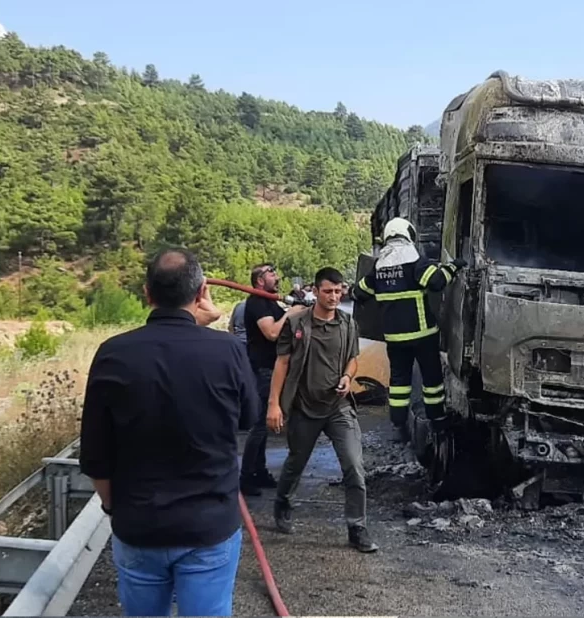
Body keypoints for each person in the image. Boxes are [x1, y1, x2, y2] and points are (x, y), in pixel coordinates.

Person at [79, 247, 259, 618]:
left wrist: (115, 507)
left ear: (147, 293)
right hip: (209, 527)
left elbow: (96, 456)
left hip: (139, 526)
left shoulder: (112, 354)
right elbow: (249, 417)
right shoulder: (227, 351)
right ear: (200, 293)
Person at [266, 266, 378, 553]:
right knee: (296, 462)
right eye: (327, 291)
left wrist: (347, 377)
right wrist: (274, 404)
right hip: (304, 406)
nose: (333, 296)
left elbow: (353, 358)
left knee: (354, 466)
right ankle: (283, 502)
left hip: (337, 407)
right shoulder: (298, 324)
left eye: (338, 291)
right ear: (315, 291)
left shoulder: (347, 323)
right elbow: (282, 363)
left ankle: (357, 527)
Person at [352, 217, 463, 441]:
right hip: (423, 336)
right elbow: (437, 282)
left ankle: (398, 427)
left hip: (395, 339)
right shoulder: (416, 262)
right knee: (431, 381)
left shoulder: (379, 267)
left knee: (399, 383)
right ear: (407, 234)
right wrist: (453, 267)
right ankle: (438, 422)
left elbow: (359, 292)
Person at [241, 263, 303, 495]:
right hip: (262, 370)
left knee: (264, 426)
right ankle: (246, 476)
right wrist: (290, 313)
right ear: (259, 280)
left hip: (272, 368)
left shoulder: (268, 301)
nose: (276, 277)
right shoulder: (256, 302)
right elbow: (272, 333)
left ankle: (259, 471)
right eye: (271, 273)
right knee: (260, 424)